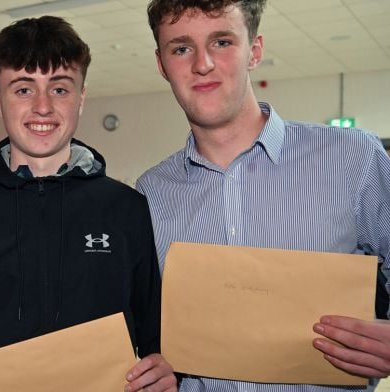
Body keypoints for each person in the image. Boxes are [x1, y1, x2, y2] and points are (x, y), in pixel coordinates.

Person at [0, 15, 176, 392]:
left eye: (60, 89)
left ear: (81, 99)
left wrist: (165, 368)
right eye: (23, 89)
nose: (43, 107)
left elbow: (157, 336)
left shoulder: (127, 209)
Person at [137, 0, 390, 391]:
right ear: (161, 64)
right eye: (181, 48)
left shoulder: (353, 159)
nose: (202, 63)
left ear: (254, 51)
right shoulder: (151, 192)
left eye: (221, 41)